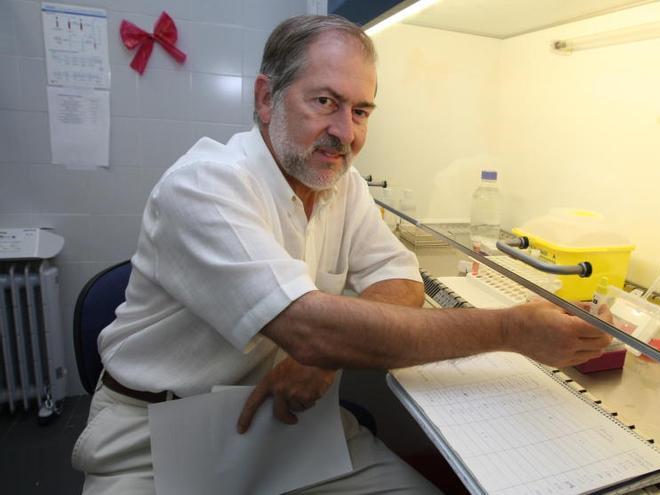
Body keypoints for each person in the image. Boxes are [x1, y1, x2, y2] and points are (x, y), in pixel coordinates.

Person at [71, 14, 612, 494]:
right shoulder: (204, 186)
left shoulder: (338, 183)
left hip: (282, 421)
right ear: (266, 98)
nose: (344, 133)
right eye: (325, 101)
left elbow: (403, 281)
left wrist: (320, 357)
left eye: (361, 111)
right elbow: (310, 327)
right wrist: (510, 331)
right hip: (156, 437)